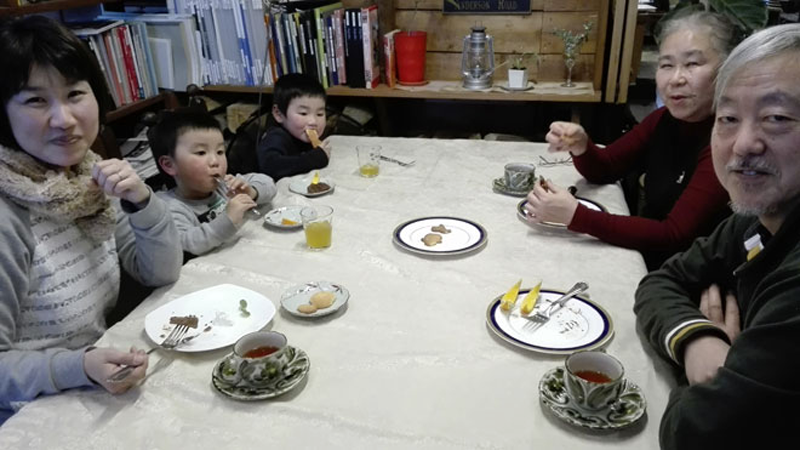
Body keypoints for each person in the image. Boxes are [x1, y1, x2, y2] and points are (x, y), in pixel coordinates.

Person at [0, 16, 182, 422]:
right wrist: (78, 366)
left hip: (92, 383)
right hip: (26, 416)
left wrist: (142, 201)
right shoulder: (8, 214)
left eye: (75, 94)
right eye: (35, 100)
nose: (64, 119)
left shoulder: (87, 180)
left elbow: (162, 272)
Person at [634, 24, 800, 449]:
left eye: (777, 118)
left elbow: (694, 433)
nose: (744, 143)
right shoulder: (757, 217)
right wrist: (699, 338)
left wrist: (722, 378)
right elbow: (661, 280)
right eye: (728, 119)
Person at [525, 11, 735, 270]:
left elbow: (674, 235)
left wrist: (577, 216)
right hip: (645, 258)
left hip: (688, 275)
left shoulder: (728, 141)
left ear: (727, 70)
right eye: (666, 65)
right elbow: (606, 168)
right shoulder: (663, 119)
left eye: (692, 64)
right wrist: (581, 146)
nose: (676, 78)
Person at [149, 109, 277, 257]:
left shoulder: (224, 186)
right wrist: (227, 220)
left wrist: (252, 191)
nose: (215, 161)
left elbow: (268, 182)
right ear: (169, 165)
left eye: (220, 152)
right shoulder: (169, 208)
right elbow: (187, 244)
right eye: (201, 153)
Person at [253, 73, 331, 181]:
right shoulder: (275, 137)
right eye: (303, 113)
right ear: (278, 114)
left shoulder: (301, 134)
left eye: (320, 114)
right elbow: (270, 167)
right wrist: (314, 159)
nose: (313, 121)